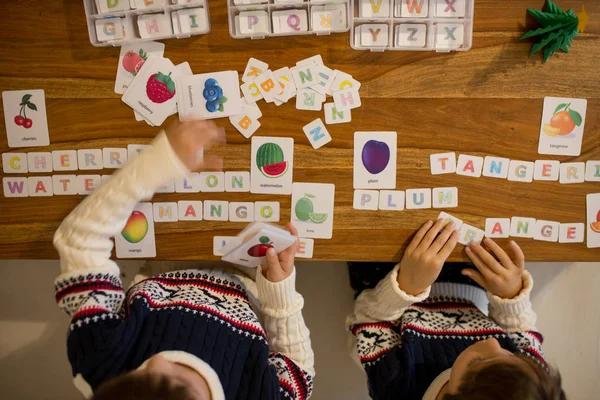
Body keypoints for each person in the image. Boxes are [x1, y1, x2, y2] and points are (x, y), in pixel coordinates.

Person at [53, 120, 314, 400]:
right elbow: (298, 370)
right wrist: (279, 291)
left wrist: (157, 165)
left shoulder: (98, 361)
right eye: (177, 378)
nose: (157, 359)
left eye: (139, 371)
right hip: (250, 275)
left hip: (163, 261)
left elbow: (79, 243)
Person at [347, 219, 566, 400]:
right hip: (468, 280)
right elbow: (521, 327)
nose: (492, 342)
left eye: (476, 361)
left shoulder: (393, 385)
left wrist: (407, 284)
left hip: (386, 282)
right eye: (510, 353)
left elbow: (366, 317)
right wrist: (510, 294)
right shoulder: (530, 380)